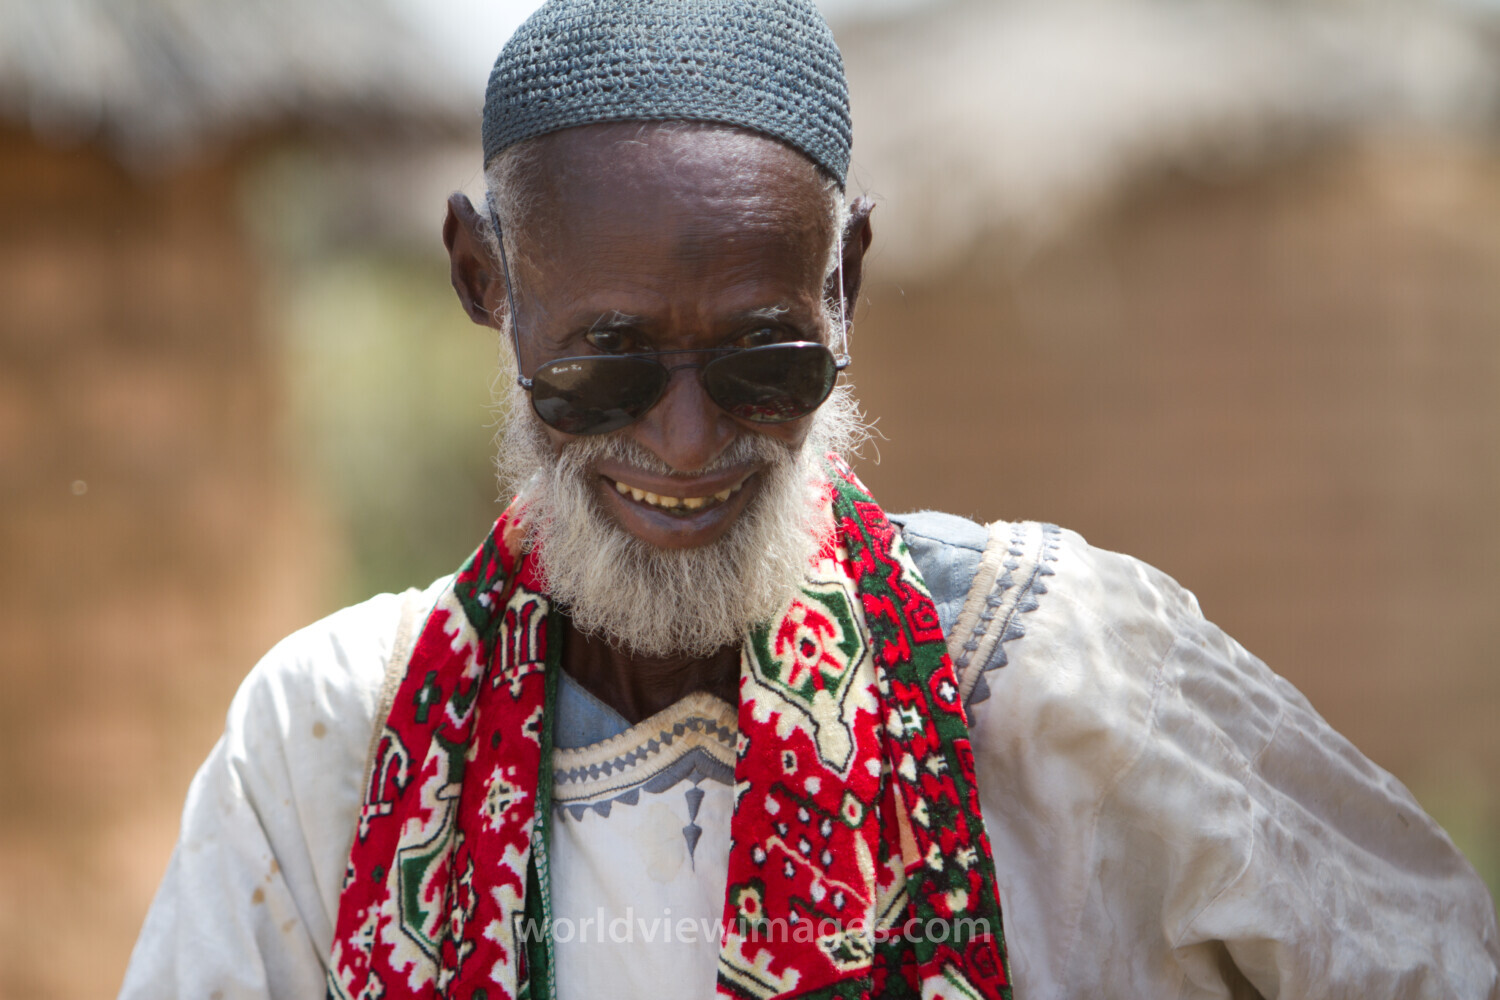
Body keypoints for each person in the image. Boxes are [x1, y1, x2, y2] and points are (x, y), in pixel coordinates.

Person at [120, 1, 1499, 998]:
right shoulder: (327, 746)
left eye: (760, 360)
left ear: (846, 285)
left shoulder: (1058, 683)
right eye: (604, 365)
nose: (685, 437)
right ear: (486, 280)